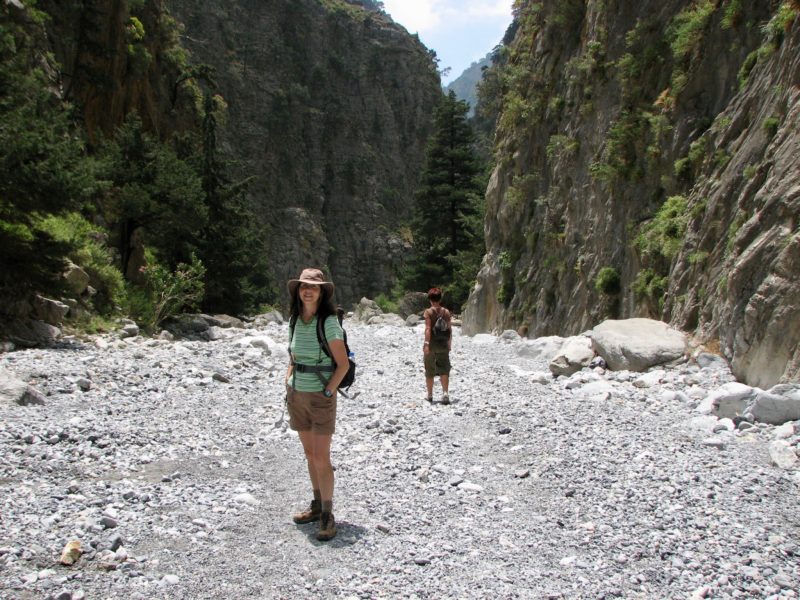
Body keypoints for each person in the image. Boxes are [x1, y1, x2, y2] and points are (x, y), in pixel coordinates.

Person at [285, 268, 350, 541]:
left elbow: (343, 364)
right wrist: (289, 379)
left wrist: (328, 392)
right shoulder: (294, 321)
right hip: (297, 395)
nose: (308, 290)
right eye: (303, 286)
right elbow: (292, 354)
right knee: (310, 455)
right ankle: (315, 505)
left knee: (322, 457)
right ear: (298, 291)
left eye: (313, 287)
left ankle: (327, 513)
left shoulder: (329, 322)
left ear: (322, 292)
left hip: (320, 398)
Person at [423, 287, 452, 404]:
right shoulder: (446, 312)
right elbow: (449, 330)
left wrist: (426, 344)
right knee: (444, 369)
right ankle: (445, 393)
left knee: (429, 369)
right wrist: (449, 344)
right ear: (440, 299)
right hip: (443, 344)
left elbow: (428, 329)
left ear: (430, 299)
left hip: (432, 345)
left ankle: (430, 395)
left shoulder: (428, 312)